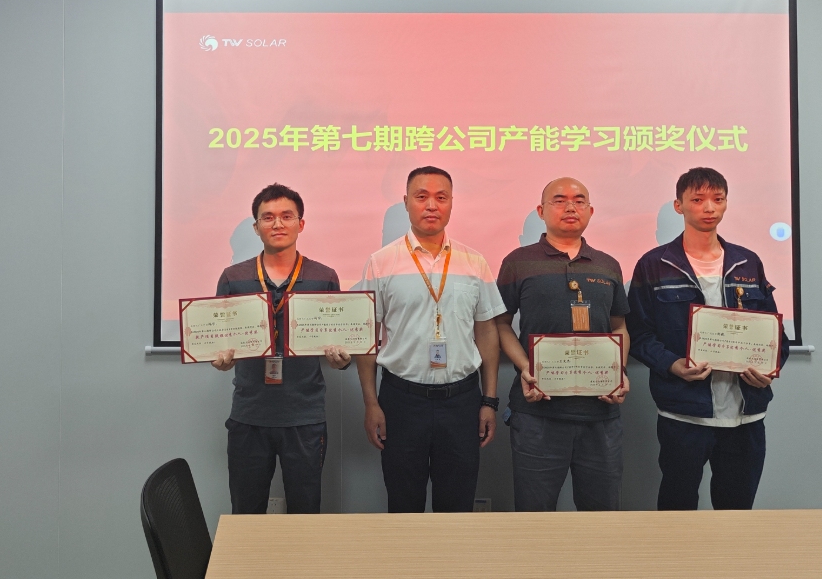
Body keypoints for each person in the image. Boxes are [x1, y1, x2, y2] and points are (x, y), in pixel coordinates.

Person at [627, 167, 789, 511]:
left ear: (726, 203)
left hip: (745, 414)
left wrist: (770, 369)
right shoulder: (654, 264)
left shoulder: (748, 262)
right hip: (683, 413)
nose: (709, 207)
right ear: (679, 205)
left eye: (718, 199)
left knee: (737, 511)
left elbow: (776, 335)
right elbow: (639, 334)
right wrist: (673, 364)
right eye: (698, 199)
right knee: (678, 509)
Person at [356, 166, 506, 513]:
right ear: (406, 202)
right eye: (421, 196)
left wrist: (489, 400)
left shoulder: (474, 262)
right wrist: (371, 403)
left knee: (457, 506)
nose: (431, 205)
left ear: (452, 203)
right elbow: (367, 336)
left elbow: (487, 331)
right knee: (403, 503)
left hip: (462, 401)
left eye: (441, 197)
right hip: (401, 401)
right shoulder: (381, 263)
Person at [211, 183, 352, 514]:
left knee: (305, 512)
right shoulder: (233, 277)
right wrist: (220, 359)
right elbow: (219, 340)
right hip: (249, 414)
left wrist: (341, 360)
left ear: (301, 224)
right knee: (245, 512)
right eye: (268, 217)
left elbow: (342, 340)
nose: (278, 224)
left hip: (304, 416)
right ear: (256, 226)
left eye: (287, 216)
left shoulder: (323, 277)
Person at [495, 177, 630, 511]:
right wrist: (525, 367)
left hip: (600, 412)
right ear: (541, 211)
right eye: (559, 200)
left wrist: (620, 373)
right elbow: (500, 324)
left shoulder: (608, 265)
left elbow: (620, 326)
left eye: (579, 200)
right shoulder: (517, 262)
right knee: (535, 516)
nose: (571, 207)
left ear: (590, 211)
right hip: (537, 412)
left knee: (602, 517)